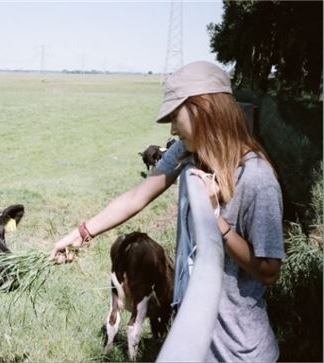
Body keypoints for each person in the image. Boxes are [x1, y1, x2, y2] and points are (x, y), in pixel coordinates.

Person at [50, 61, 285, 362]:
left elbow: (269, 270)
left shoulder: (257, 178)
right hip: (194, 339)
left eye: (176, 116)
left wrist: (216, 220)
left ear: (203, 109)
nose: (172, 128)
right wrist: (81, 233)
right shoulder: (188, 154)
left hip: (238, 351)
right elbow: (138, 195)